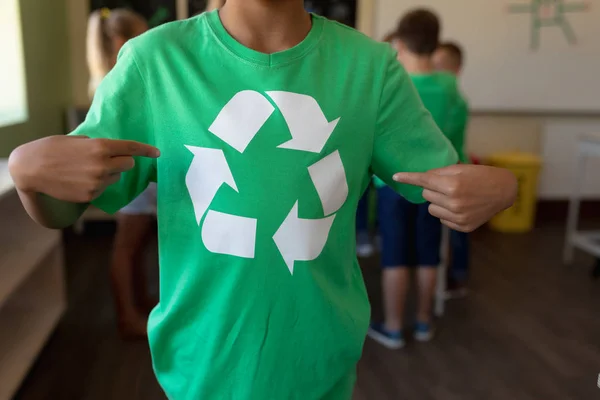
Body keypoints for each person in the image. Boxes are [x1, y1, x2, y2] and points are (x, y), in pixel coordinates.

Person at [8, 1, 517, 398]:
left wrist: (504, 186)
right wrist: (29, 178)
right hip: (199, 366)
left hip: (321, 364)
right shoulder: (152, 62)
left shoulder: (372, 67)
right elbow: (63, 207)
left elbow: (448, 187)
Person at [368, 9, 470, 349]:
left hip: (393, 184)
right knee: (429, 254)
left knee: (395, 255)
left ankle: (394, 327)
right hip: (438, 185)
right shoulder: (449, 86)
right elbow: (455, 140)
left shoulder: (392, 83)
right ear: (435, 42)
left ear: (401, 39)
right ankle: (425, 322)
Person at [87, 7, 154, 338]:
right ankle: (127, 316)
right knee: (127, 246)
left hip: (135, 173)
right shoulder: (121, 78)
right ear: (120, 42)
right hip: (132, 174)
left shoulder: (107, 76)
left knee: (134, 246)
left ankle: (139, 303)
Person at [433, 41, 471, 299]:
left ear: (455, 70)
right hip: (446, 170)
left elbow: (442, 136)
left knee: (456, 228)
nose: (435, 71)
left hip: (455, 171)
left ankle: (456, 276)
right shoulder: (447, 95)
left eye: (440, 67)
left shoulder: (453, 99)